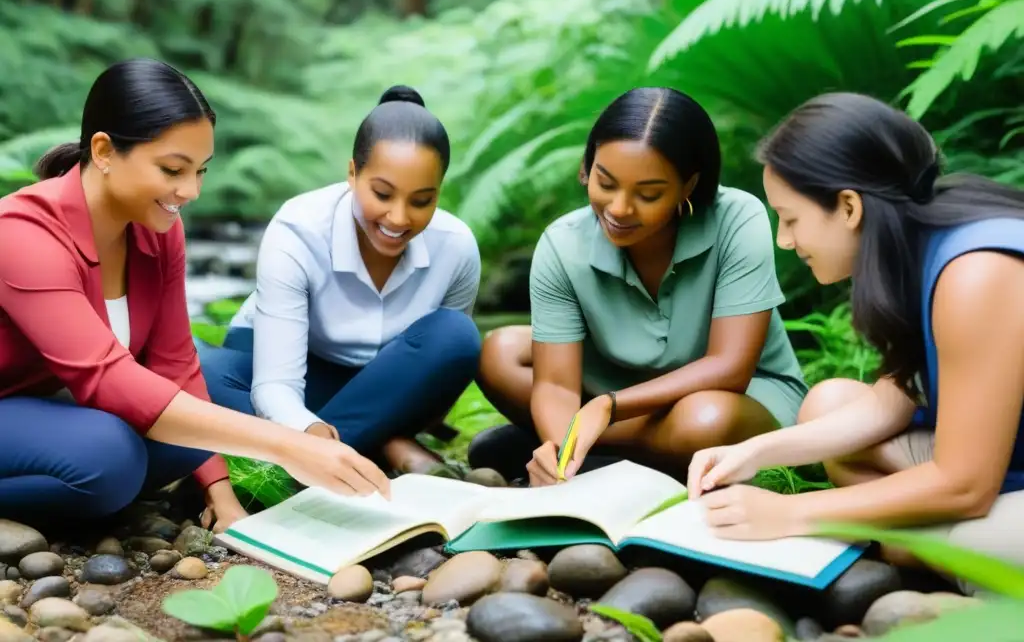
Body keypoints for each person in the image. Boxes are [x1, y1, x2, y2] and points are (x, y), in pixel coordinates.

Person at [0, 58, 390, 530]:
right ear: (103, 150)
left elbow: (175, 365)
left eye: (201, 170)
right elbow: (107, 380)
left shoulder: (158, 227)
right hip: (22, 408)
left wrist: (220, 496)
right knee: (109, 456)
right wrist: (290, 445)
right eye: (173, 169)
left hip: (55, 410)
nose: (191, 190)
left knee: (185, 436)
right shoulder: (22, 234)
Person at [686, 92, 1024, 577]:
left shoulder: (976, 274)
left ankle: (935, 552)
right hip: (996, 462)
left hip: (979, 478)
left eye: (791, 218)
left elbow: (966, 484)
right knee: (830, 408)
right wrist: (754, 452)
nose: (784, 239)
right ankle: (923, 541)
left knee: (962, 535)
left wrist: (789, 513)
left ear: (848, 207)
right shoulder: (917, 240)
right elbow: (894, 398)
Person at [473, 86, 808, 486]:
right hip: (617, 390)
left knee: (705, 421)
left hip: (734, 395)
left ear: (688, 186)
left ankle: (603, 454)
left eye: (648, 194)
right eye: (606, 182)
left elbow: (729, 367)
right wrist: (560, 452)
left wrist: (609, 407)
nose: (618, 209)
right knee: (499, 352)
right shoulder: (563, 243)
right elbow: (557, 384)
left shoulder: (738, 218)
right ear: (587, 165)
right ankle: (593, 456)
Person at [198, 86, 482, 477]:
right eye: (382, 194)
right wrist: (310, 432)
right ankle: (382, 443)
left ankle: (288, 468)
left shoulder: (457, 247)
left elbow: (436, 375)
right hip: (282, 366)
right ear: (352, 173)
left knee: (458, 336)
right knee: (205, 376)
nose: (398, 218)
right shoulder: (297, 229)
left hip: (385, 381)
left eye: (421, 201)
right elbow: (275, 384)